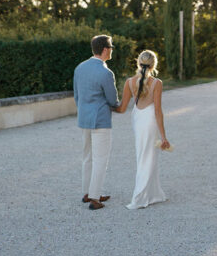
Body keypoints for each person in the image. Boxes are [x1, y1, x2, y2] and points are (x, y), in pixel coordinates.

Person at [113, 49, 170, 209]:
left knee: (143, 155)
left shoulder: (129, 82)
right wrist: (163, 136)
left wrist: (105, 104)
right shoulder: (157, 83)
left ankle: (154, 194)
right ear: (153, 65)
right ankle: (139, 198)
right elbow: (158, 111)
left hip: (138, 119)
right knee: (149, 156)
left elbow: (122, 108)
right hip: (150, 120)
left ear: (138, 63)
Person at [73, 33, 120, 211]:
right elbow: (112, 99)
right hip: (100, 120)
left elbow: (77, 96)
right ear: (106, 50)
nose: (111, 52)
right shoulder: (106, 72)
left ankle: (87, 192)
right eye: (111, 48)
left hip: (84, 119)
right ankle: (94, 198)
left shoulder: (79, 68)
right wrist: (118, 106)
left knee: (87, 158)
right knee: (101, 159)